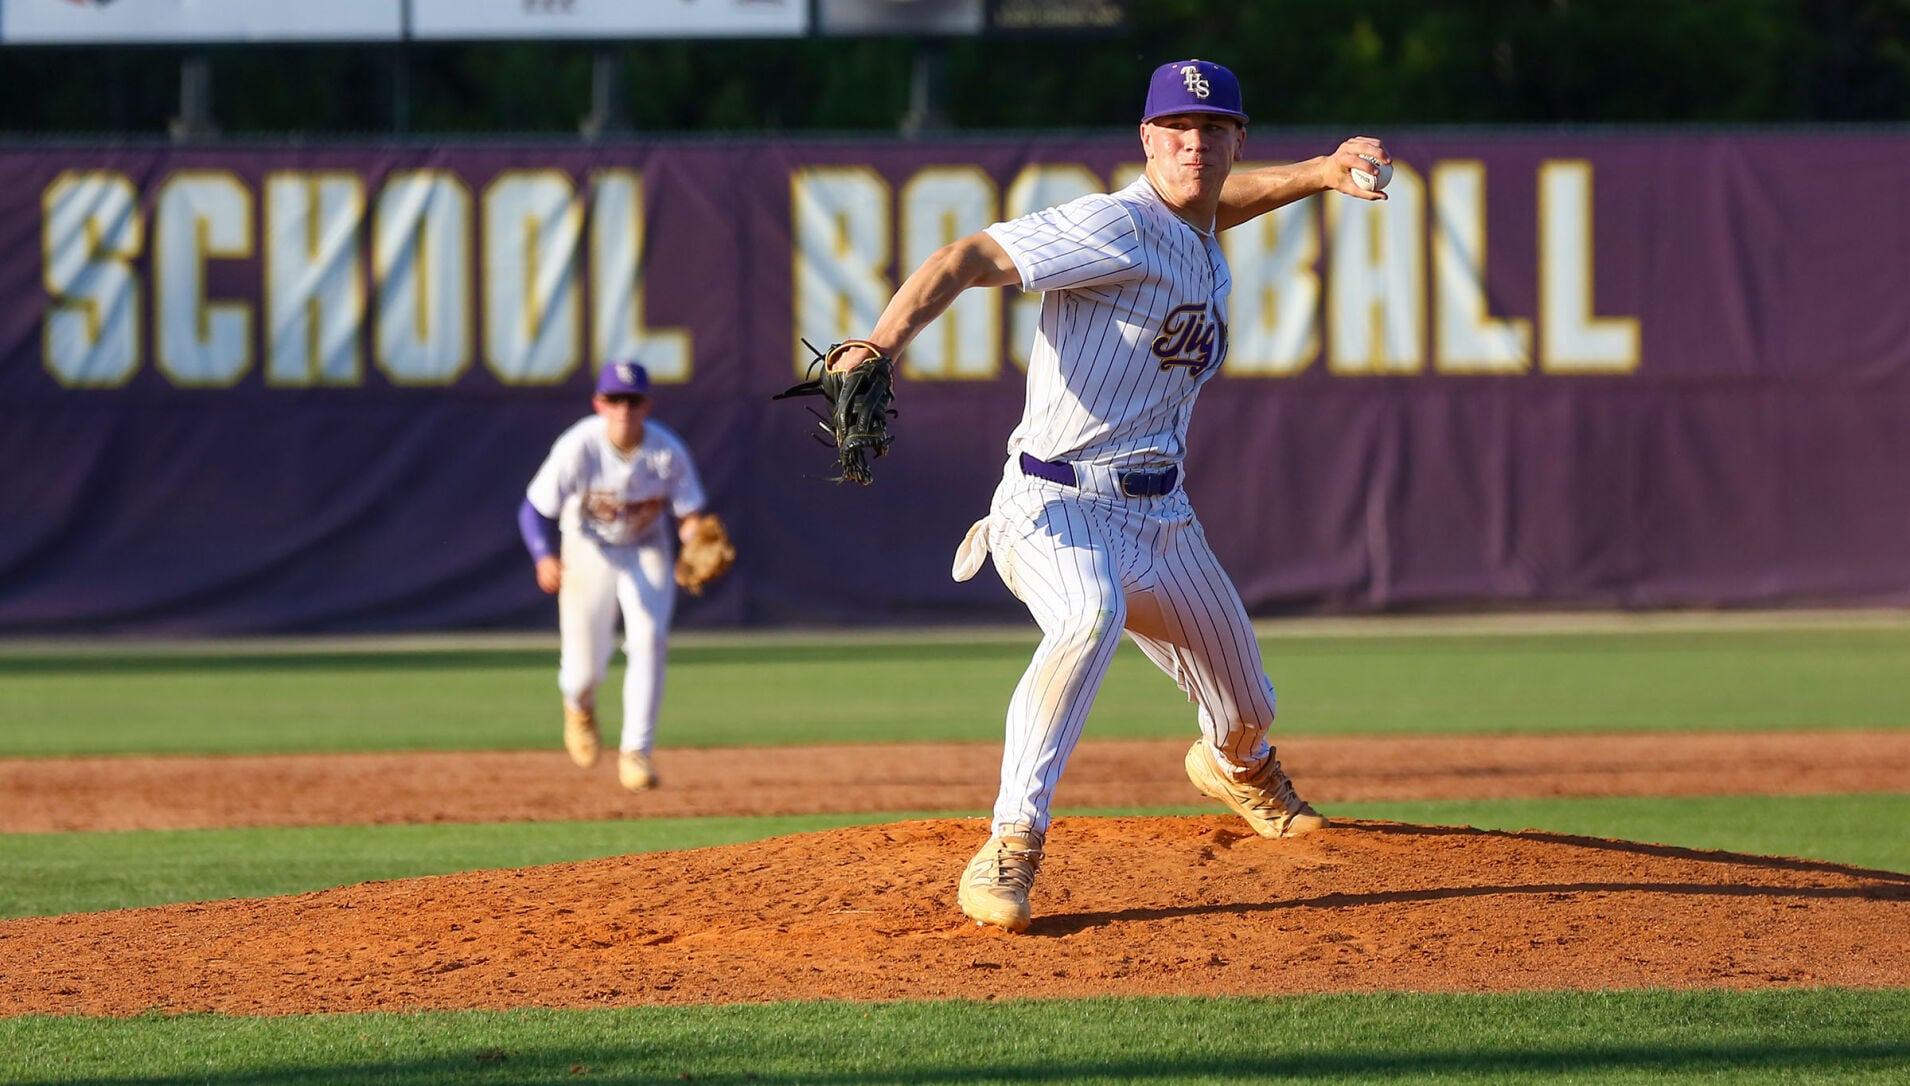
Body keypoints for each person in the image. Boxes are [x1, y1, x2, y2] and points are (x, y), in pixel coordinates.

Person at [825, 59, 1392, 931]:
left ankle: (1238, 768)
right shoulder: (1112, 224)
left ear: (1236, 139)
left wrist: (1318, 173)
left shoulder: (1197, 229)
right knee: (1085, 617)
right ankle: (1009, 846)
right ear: (1146, 138)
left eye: (1212, 130)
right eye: (1176, 129)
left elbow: (1217, 206)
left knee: (1247, 706)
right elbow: (967, 256)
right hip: (1053, 504)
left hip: (1163, 518)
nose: (1193, 145)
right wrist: (879, 342)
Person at [518, 361, 718, 793]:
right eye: (614, 399)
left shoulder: (667, 451)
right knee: (581, 670)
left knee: (649, 639)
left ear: (647, 404)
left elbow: (688, 515)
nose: (623, 409)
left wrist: (694, 538)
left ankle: (636, 752)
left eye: (632, 399)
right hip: (587, 550)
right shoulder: (579, 446)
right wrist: (542, 557)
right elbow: (533, 509)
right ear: (599, 404)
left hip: (647, 549)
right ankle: (579, 705)